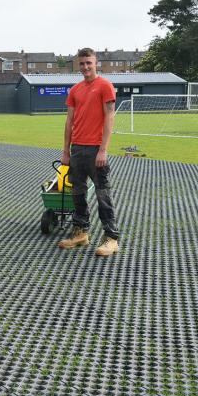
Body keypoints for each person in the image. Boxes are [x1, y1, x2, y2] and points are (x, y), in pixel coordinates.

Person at [57, 47, 120, 257]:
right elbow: (69, 121)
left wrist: (103, 149)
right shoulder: (75, 90)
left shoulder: (105, 86)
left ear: (96, 63)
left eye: (89, 63)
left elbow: (110, 118)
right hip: (77, 149)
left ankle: (111, 238)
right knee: (77, 192)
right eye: (82, 63)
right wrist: (66, 150)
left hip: (96, 150)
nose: (85, 67)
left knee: (103, 193)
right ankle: (81, 232)